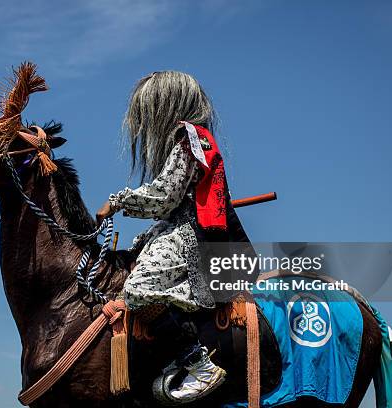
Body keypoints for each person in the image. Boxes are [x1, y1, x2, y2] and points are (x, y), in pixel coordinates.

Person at [96, 71, 249, 403]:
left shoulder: (192, 140)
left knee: (139, 288)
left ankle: (197, 364)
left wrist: (118, 201)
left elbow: (165, 195)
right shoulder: (189, 141)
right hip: (174, 228)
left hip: (191, 234)